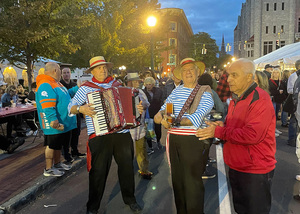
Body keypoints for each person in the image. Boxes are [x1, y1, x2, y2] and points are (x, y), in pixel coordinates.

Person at [196, 58, 276, 214]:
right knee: (241, 209)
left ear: (249, 77)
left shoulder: (259, 99)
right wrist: (222, 127)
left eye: (234, 75)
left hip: (254, 170)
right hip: (238, 166)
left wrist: (218, 131)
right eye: (228, 75)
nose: (228, 79)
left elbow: (252, 135)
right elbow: (237, 129)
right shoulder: (236, 97)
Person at [68, 56, 143, 213]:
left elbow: (133, 106)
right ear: (93, 71)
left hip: (122, 133)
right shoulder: (85, 88)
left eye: (104, 67)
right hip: (100, 135)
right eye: (98, 68)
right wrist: (81, 109)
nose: (102, 70)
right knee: (98, 172)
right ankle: (93, 207)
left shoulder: (118, 85)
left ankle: (130, 199)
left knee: (127, 168)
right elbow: (70, 107)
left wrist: (138, 109)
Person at [154, 58, 214, 214]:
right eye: (184, 70)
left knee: (192, 182)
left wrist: (171, 121)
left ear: (198, 72)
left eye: (191, 69)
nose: (188, 72)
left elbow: (197, 117)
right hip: (174, 139)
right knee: (178, 181)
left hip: (193, 140)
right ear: (180, 74)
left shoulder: (205, 91)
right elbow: (164, 111)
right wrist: (162, 119)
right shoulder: (176, 91)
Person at [36, 62, 78, 177]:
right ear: (55, 70)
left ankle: (57, 164)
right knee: (52, 144)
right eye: (59, 69)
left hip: (61, 121)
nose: (60, 72)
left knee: (58, 144)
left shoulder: (56, 83)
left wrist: (77, 88)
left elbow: (66, 94)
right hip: (53, 123)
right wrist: (52, 119)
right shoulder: (46, 84)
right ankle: (48, 168)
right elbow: (47, 104)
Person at [126, 72, 152, 179]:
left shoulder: (140, 92)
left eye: (138, 81)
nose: (137, 83)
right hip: (127, 128)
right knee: (127, 152)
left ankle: (144, 170)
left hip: (140, 126)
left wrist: (142, 104)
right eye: (135, 81)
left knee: (141, 149)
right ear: (129, 82)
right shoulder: (122, 92)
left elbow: (146, 104)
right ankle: (127, 170)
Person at [60, 67, 85, 161]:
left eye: (68, 72)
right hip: (65, 113)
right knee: (67, 134)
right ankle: (66, 153)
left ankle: (75, 151)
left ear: (70, 73)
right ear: (62, 74)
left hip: (76, 111)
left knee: (76, 132)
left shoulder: (74, 84)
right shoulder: (60, 85)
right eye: (64, 73)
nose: (66, 74)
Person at [143, 77, 163, 154]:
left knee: (158, 129)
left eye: (150, 84)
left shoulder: (158, 91)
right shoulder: (143, 92)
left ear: (153, 84)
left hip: (157, 112)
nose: (148, 86)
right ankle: (150, 146)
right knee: (148, 131)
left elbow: (161, 101)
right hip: (148, 114)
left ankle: (158, 141)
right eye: (147, 84)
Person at [287, 60, 300, 147]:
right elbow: (289, 89)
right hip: (294, 101)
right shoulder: (293, 76)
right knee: (293, 121)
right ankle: (291, 138)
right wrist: (297, 92)